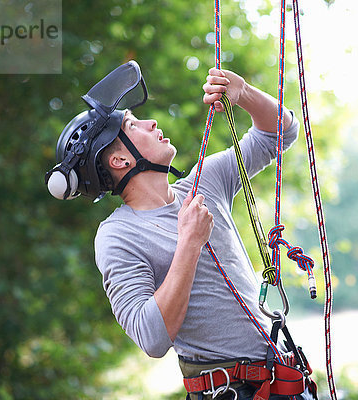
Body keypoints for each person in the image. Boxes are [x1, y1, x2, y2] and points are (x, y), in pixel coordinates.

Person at [48, 63, 316, 399]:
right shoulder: (117, 235)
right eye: (134, 125)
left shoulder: (207, 181)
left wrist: (243, 92)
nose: (151, 123)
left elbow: (281, 133)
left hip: (283, 383)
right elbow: (151, 337)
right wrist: (189, 242)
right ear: (119, 161)